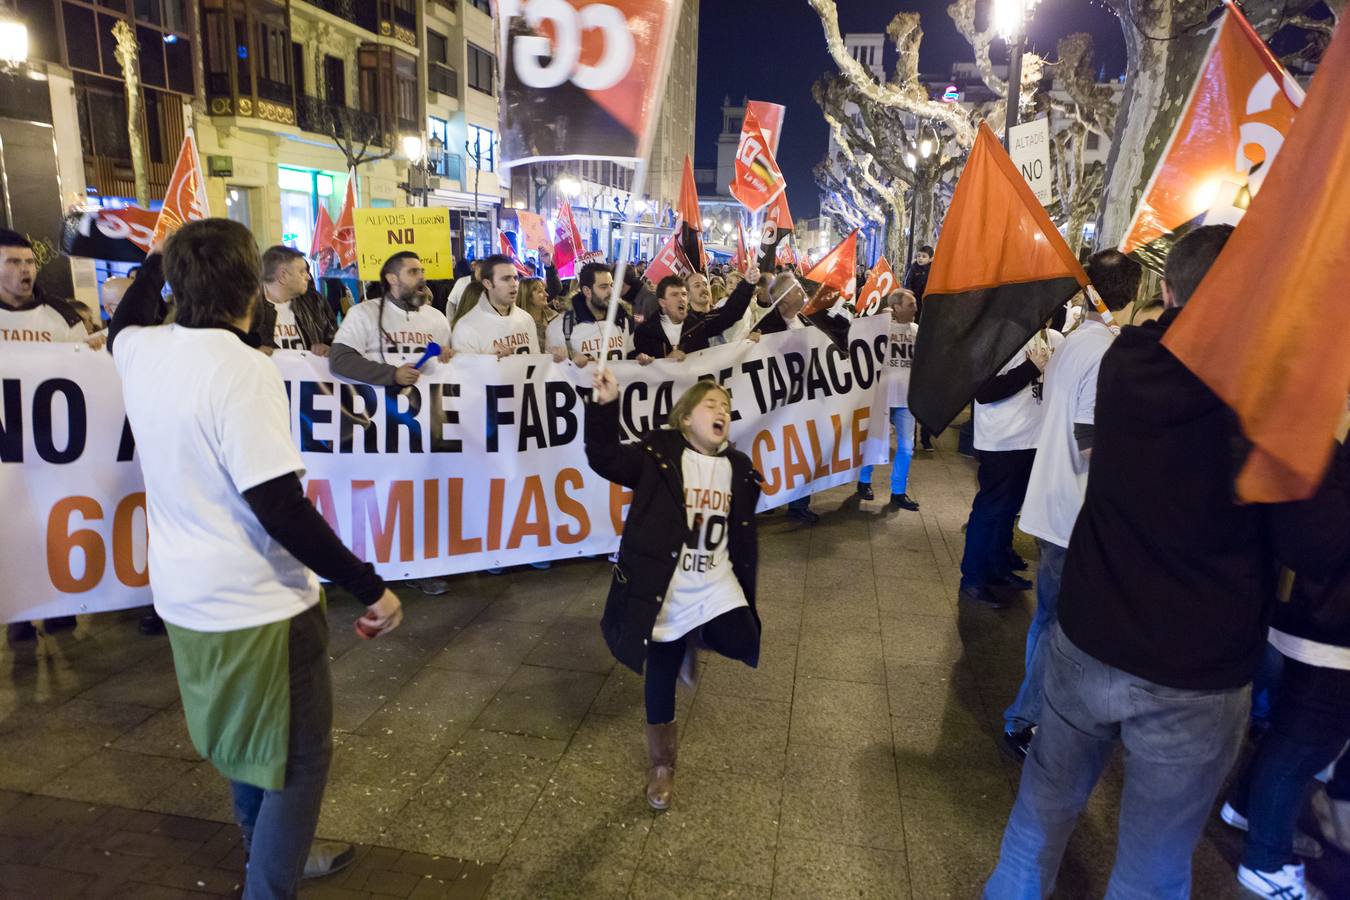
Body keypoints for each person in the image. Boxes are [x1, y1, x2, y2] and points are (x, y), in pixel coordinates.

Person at [983, 225, 1288, 899]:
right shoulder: (1268, 398)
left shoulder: (1127, 363)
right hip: (1195, 674)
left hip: (1091, 637)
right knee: (1151, 869)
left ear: (1171, 289)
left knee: (1036, 826)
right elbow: (1308, 544)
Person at [107, 218, 404, 899]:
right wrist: (369, 585)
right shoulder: (243, 370)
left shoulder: (141, 350)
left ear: (178, 282)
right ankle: (269, 883)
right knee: (300, 761)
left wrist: (161, 263)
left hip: (185, 596)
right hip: (261, 604)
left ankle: (270, 855)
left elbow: (126, 315)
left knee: (245, 744)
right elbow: (279, 505)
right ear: (252, 288)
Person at [585, 368, 762, 811]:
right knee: (660, 668)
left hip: (717, 582)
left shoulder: (738, 466)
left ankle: (692, 637)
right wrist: (605, 406)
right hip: (668, 585)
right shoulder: (657, 454)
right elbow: (603, 456)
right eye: (710, 405)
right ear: (685, 419)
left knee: (742, 636)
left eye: (726, 407)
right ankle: (662, 767)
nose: (722, 411)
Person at [999, 250, 1142, 759]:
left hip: (1048, 501)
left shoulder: (1077, 341)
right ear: (1133, 296)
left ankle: (1028, 710)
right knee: (1061, 626)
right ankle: (1026, 718)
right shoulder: (1104, 350)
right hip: (1072, 512)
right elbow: (1089, 440)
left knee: (1046, 620)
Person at [1217, 411, 1350, 900]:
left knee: (1294, 733)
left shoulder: (1326, 451)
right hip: (1332, 630)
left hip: (1308, 618)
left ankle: (1248, 808)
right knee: (1304, 745)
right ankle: (1265, 861)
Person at [330, 251, 453, 596]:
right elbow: (340, 360)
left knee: (419, 495)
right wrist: (390, 375)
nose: (422, 277)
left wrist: (449, 357)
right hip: (375, 427)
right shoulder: (364, 314)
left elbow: (448, 363)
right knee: (381, 498)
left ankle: (418, 565)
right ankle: (374, 568)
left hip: (421, 427)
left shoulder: (436, 318)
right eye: (413, 271)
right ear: (392, 279)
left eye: (422, 270)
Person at [1, 229, 88, 644]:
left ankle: (59, 603)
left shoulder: (60, 316)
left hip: (54, 447)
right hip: (7, 450)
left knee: (55, 522)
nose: (25, 271)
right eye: (14, 263)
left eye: (29, 263)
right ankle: (19, 610)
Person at [958, 326, 1061, 609]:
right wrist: (1031, 368)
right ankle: (973, 577)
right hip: (1001, 441)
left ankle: (997, 566)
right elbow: (984, 391)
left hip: (1032, 438)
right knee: (990, 510)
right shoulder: (997, 335)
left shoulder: (1051, 336)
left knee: (1009, 509)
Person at [856, 289, 921, 511]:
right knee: (873, 439)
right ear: (896, 307)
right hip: (881, 396)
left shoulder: (916, 330)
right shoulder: (880, 328)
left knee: (906, 447)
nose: (915, 307)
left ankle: (898, 491)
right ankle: (864, 481)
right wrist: (876, 320)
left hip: (906, 398)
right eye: (911, 304)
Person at [632, 264, 758, 360]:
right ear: (662, 302)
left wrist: (747, 284)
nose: (681, 298)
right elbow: (631, 366)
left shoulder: (697, 324)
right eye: (674, 295)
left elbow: (730, 313)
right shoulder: (644, 333)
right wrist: (663, 361)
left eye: (683, 294)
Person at [545, 262, 650, 366]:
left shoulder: (623, 319)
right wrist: (566, 360)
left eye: (612, 285)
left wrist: (639, 359)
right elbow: (552, 372)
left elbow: (628, 353)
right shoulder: (560, 327)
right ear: (587, 291)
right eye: (604, 287)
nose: (611, 292)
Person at [451, 254, 540, 357]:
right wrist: (493, 361)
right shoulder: (466, 327)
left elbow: (536, 363)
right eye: (506, 279)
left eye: (515, 278)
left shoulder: (526, 319)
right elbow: (465, 371)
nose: (513, 284)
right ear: (488, 283)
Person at [253, 246, 337, 355]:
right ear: (283, 276)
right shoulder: (247, 311)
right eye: (302, 272)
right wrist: (252, 353)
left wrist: (330, 350)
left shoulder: (315, 302)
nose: (308, 277)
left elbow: (337, 343)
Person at [906, 246, 936, 451]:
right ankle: (913, 437)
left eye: (923, 256)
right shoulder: (913, 270)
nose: (920, 259)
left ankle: (925, 438)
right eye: (918, 256)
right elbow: (908, 285)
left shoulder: (934, 272)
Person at [516, 276, 556, 352]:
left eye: (545, 290)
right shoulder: (517, 324)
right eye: (540, 291)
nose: (546, 294)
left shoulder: (555, 318)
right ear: (527, 296)